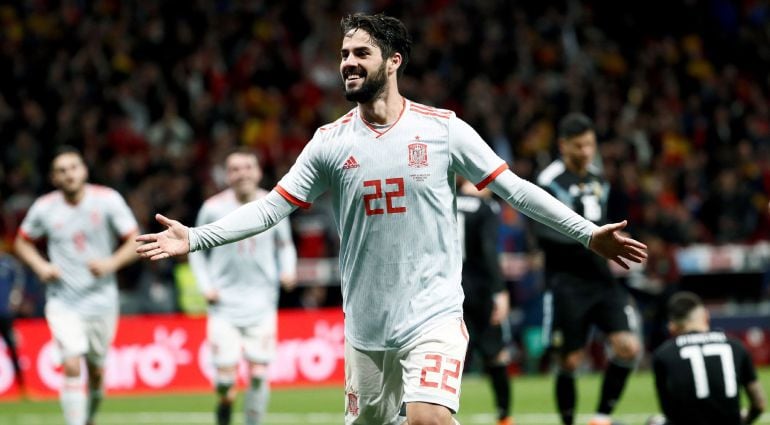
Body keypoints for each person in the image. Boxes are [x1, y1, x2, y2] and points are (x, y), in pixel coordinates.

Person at [135, 14, 647, 425]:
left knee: (428, 418)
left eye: (361, 53)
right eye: (344, 55)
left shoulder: (443, 130)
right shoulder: (329, 142)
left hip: (433, 313)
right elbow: (272, 207)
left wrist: (586, 233)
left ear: (394, 61)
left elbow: (515, 189)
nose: (348, 63)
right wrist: (198, 237)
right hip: (366, 326)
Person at [14, 145, 139, 425]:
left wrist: (111, 264)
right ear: (54, 178)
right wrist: (41, 266)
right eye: (61, 171)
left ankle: (90, 417)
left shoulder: (107, 200)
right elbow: (22, 242)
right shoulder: (44, 208)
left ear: (84, 170)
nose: (68, 174)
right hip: (63, 301)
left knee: (95, 372)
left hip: (102, 300)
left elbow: (135, 240)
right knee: (71, 364)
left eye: (73, 167)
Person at [536, 113, 642, 425]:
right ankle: (568, 421)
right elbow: (543, 233)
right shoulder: (548, 182)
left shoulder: (599, 179)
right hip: (566, 282)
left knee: (628, 347)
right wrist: (592, 240)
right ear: (563, 145)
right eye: (579, 146)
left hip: (602, 280)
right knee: (570, 360)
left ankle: (601, 418)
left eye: (590, 145)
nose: (586, 152)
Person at [188, 149, 297, 425]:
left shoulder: (274, 203)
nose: (242, 173)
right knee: (225, 379)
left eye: (248, 167)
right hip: (224, 304)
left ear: (258, 172)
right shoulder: (212, 208)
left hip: (262, 302)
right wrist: (206, 286)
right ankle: (225, 400)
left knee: (259, 373)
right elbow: (196, 250)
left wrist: (288, 270)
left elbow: (285, 246)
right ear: (227, 175)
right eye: (235, 169)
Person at [648, 291, 766, 425]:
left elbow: (668, 410)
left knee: (653, 421)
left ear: (672, 325)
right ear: (705, 316)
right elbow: (759, 404)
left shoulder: (664, 354)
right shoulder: (736, 346)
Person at [456, 178, 513, 425]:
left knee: (447, 356)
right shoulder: (487, 208)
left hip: (446, 290)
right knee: (496, 355)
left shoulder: (445, 199)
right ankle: (504, 417)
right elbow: (490, 250)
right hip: (479, 291)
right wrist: (499, 291)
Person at [0, 248, 25, 393]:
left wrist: (16, 299)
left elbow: (19, 281)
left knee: (13, 348)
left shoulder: (9, 263)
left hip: (5, 313)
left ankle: (22, 386)